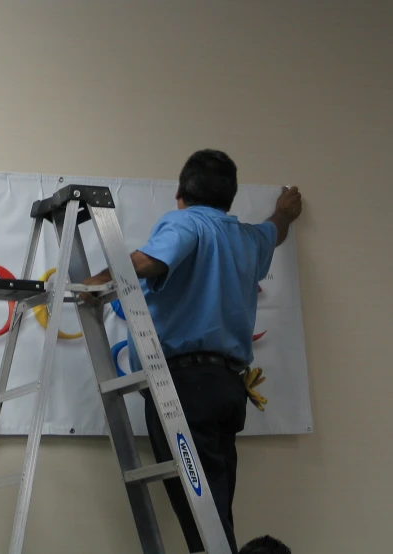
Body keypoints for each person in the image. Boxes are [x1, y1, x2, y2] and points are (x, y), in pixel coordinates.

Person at [81, 149, 303, 553]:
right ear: (229, 198)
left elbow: (149, 261)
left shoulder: (187, 223)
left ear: (180, 192)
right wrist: (286, 211)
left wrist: (93, 283)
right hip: (226, 390)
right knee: (214, 509)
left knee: (203, 518)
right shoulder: (249, 238)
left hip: (182, 390)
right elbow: (276, 228)